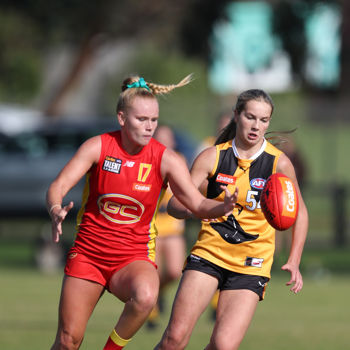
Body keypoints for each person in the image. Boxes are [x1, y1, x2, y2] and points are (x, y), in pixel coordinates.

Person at [46, 74, 238, 350]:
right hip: (88, 254)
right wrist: (55, 208)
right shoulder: (98, 147)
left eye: (154, 120)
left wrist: (223, 206)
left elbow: (195, 203)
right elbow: (58, 185)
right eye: (141, 120)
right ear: (122, 118)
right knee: (68, 341)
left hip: (132, 257)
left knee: (147, 296)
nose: (149, 127)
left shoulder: (166, 159)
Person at [154, 89, 309, 350]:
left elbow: (300, 212)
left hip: (252, 263)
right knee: (174, 339)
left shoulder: (278, 164)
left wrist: (294, 259)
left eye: (263, 120)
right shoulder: (212, 157)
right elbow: (175, 205)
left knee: (224, 345)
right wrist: (202, 207)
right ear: (237, 115)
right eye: (250, 117)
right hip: (210, 254)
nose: (256, 126)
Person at [147, 125, 187, 329]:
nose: (164, 142)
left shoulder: (179, 162)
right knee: (150, 274)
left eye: (167, 138)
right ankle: (151, 314)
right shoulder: (147, 159)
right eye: (159, 138)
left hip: (173, 228)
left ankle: (159, 293)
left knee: (174, 271)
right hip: (150, 228)